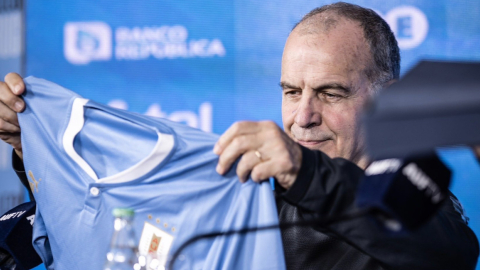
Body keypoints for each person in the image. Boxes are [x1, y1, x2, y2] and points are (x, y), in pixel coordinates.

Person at [0, 2, 478, 270]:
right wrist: (37, 151)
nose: (303, 117)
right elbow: (129, 237)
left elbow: (446, 252)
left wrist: (303, 170)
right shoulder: (238, 186)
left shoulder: (417, 209)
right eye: (292, 91)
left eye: (330, 93)